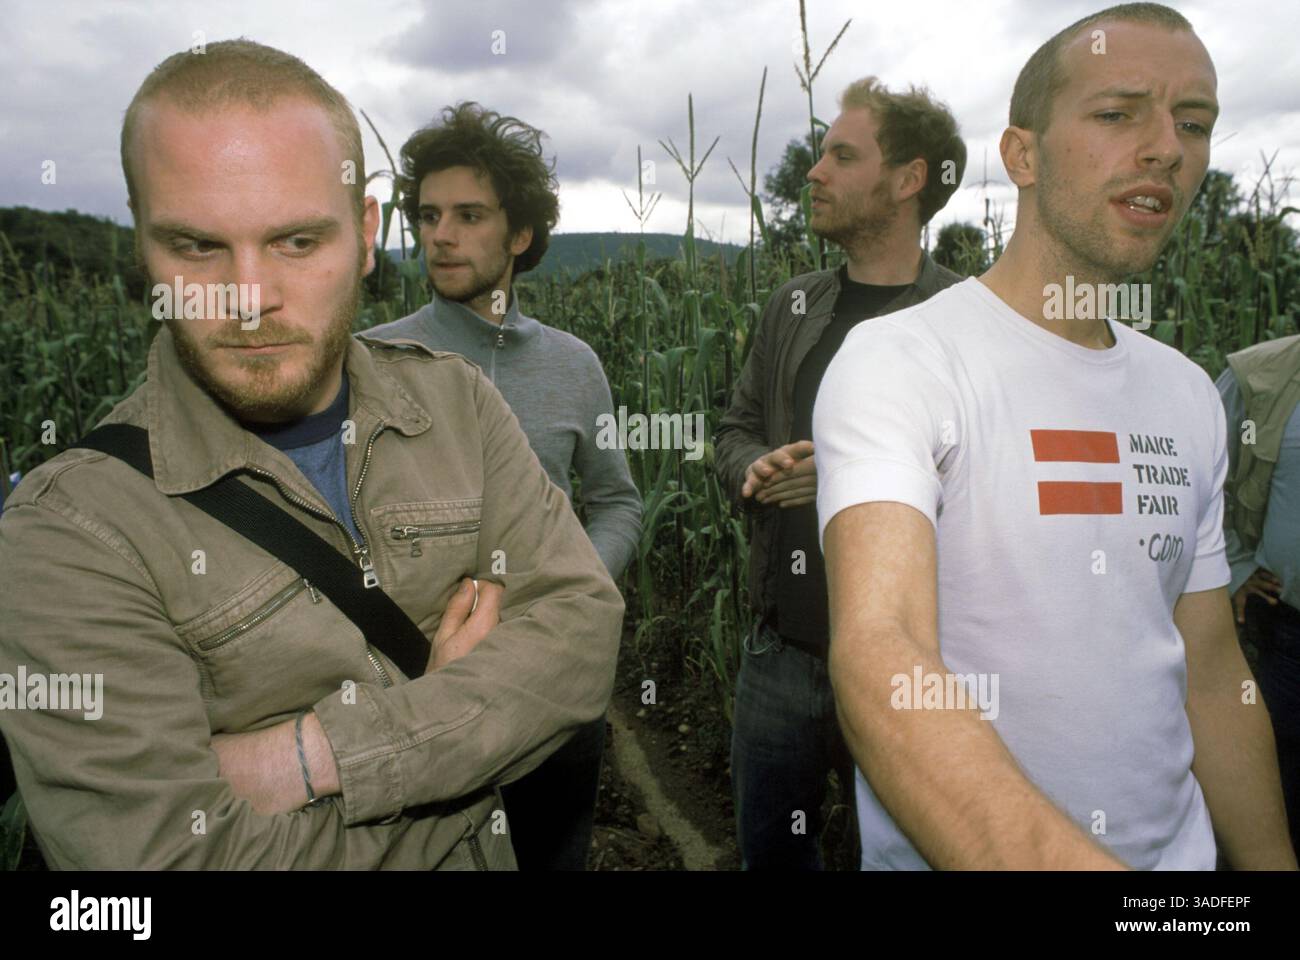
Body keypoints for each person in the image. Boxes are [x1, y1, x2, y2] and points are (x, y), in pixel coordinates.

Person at [0, 39, 623, 870]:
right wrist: (467, 739)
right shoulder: (69, 535)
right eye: (195, 247)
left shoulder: (461, 405)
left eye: (296, 241)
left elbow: (581, 635)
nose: (248, 298)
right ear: (140, 243)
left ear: (365, 235)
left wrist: (301, 757)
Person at [815, 3, 1296, 869]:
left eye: (1193, 124)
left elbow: (1213, 670)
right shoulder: (901, 361)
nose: (1166, 148)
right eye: (1118, 114)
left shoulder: (1188, 393)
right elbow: (881, 652)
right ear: (1022, 154)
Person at [364, 102, 642, 870]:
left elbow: (618, 500)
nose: (440, 235)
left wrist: (570, 585)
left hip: (553, 693)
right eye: (427, 215)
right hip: (415, 694)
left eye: (469, 215)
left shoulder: (575, 366)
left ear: (520, 236)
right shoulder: (368, 363)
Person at [713, 76, 965, 869]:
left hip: (912, 668)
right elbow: (734, 429)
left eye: (840, 155)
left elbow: (995, 490)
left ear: (909, 179)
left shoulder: (965, 323)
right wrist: (755, 467)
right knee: (771, 855)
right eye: (820, 152)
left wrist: (857, 479)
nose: (813, 172)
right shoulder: (793, 306)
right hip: (779, 654)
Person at [1216, 333, 1300, 857]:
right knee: (1277, 797)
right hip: (1288, 639)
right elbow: (1197, 477)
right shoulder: (1259, 379)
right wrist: (1235, 564)